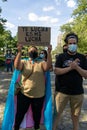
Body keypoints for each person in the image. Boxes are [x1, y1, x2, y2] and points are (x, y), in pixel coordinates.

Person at [53, 32, 87, 130]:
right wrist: (70, 67)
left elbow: (86, 75)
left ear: (77, 44)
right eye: (70, 43)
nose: (72, 45)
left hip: (77, 92)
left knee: (76, 116)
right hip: (61, 92)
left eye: (74, 43)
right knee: (57, 114)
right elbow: (56, 71)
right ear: (67, 45)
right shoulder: (61, 57)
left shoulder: (82, 57)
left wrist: (76, 67)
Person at [13, 44, 52, 130]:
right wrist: (19, 52)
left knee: (37, 114)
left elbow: (47, 67)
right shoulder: (24, 62)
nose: (33, 52)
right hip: (24, 94)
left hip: (39, 95)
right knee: (20, 113)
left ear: (37, 52)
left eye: (34, 50)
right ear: (28, 52)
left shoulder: (41, 62)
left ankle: (36, 127)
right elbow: (17, 66)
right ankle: (16, 127)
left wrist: (49, 53)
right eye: (31, 50)